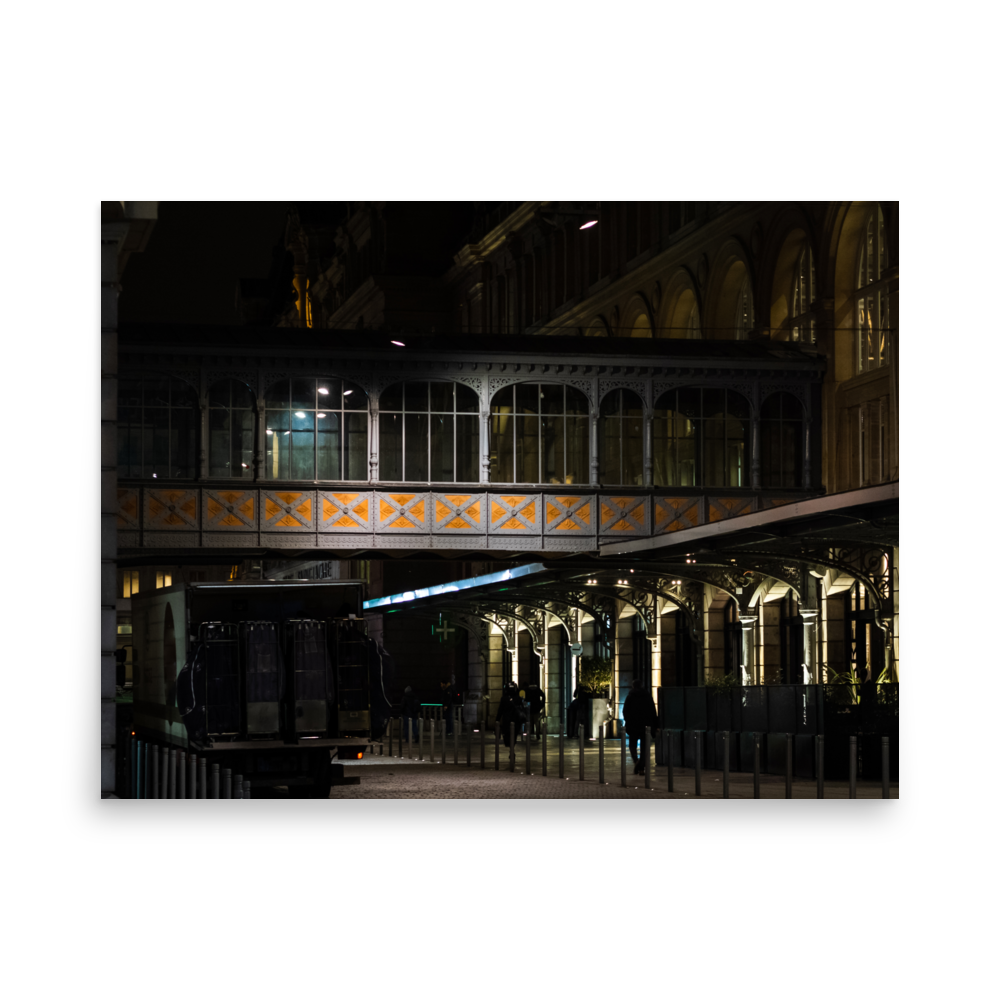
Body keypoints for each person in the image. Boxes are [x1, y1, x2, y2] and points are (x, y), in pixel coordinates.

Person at [622, 678, 659, 775]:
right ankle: (641, 767)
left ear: (633, 686)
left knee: (632, 745)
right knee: (644, 747)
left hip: (633, 725)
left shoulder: (630, 696)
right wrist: (655, 725)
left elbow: (625, 711)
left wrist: (628, 721)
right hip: (645, 725)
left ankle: (636, 761)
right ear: (642, 685)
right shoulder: (647, 696)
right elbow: (652, 712)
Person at [495, 681, 525, 755]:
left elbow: (500, 711)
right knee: (514, 736)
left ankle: (511, 749)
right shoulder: (518, 698)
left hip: (507, 721)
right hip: (516, 720)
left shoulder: (504, 698)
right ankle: (512, 749)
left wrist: (497, 720)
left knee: (507, 736)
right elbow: (522, 709)